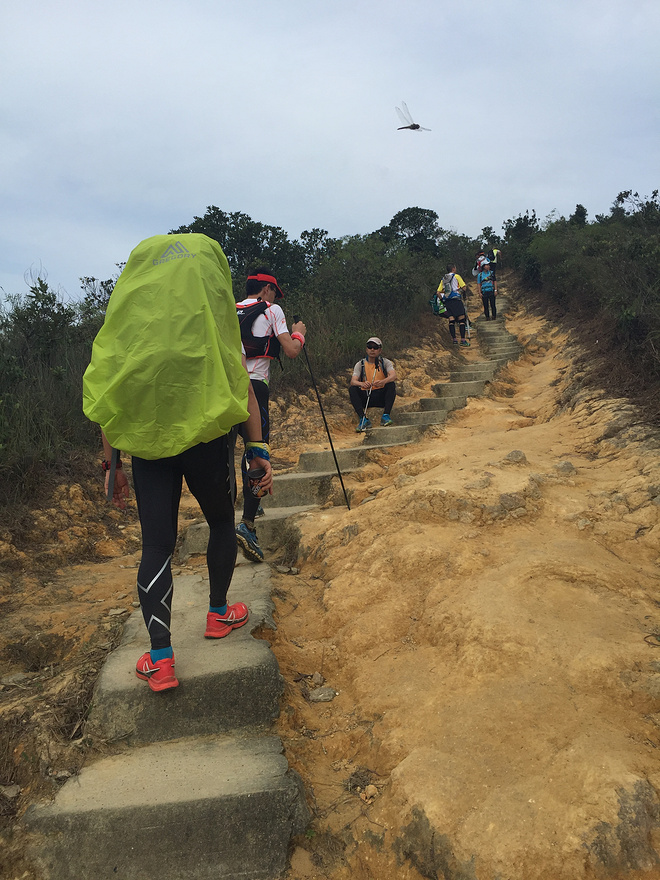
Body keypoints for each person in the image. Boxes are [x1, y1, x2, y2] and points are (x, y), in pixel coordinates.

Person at [83, 233, 272, 693]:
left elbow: (109, 395)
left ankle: (161, 657)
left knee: (157, 546)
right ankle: (218, 612)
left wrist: (114, 465)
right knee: (223, 524)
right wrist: (257, 449)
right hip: (209, 442)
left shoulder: (129, 329)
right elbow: (242, 386)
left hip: (148, 448)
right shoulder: (212, 321)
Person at [235, 269, 306, 563]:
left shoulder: (230, 309)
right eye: (275, 292)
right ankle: (247, 525)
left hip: (225, 387)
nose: (276, 298)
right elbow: (290, 349)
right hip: (255, 386)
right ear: (266, 290)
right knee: (257, 450)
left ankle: (247, 511)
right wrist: (300, 331)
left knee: (234, 449)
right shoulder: (272, 310)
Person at [349, 337, 397, 431]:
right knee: (352, 389)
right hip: (367, 395)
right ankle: (363, 419)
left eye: (375, 347)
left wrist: (383, 381)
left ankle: (386, 415)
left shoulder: (385, 362)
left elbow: (393, 376)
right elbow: (353, 381)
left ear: (380, 350)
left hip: (380, 395)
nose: (372, 350)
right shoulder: (360, 364)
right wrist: (362, 384)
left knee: (391, 385)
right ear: (366, 349)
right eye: (370, 347)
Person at [438, 264, 470, 346]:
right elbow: (464, 287)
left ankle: (454, 340)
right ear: (453, 269)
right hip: (456, 300)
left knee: (451, 319)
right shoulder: (457, 276)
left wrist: (443, 301)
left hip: (448, 301)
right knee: (461, 319)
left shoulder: (444, 278)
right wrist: (462, 293)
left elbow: (438, 292)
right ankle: (463, 340)